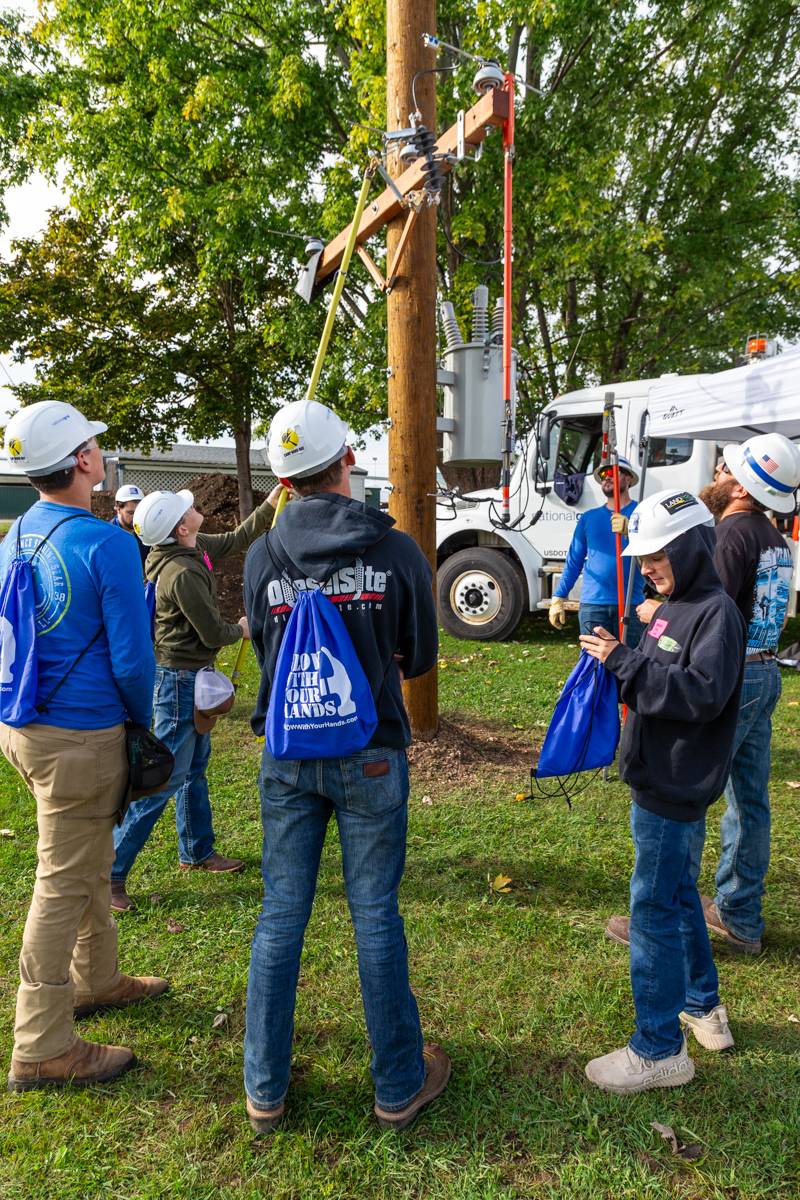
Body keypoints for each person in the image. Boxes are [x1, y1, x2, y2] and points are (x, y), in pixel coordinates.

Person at [241, 399, 447, 1135]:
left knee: (280, 918)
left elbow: (270, 656)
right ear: (347, 459)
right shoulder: (394, 553)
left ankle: (264, 1090)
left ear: (284, 480)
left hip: (289, 755)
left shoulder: (264, 555)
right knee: (374, 917)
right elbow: (418, 657)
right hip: (371, 757)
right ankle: (398, 1084)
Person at [0, 400, 167, 1091]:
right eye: (94, 443)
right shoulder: (108, 544)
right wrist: (141, 725)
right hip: (81, 735)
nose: (100, 451)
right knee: (63, 880)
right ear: (85, 462)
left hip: (23, 726)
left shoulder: (13, 536)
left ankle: (94, 978)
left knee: (85, 854)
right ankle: (41, 1044)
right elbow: (134, 662)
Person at [580, 488, 745, 1093]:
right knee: (678, 894)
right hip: (657, 777)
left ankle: (657, 1049)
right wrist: (618, 657)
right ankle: (703, 1005)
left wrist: (625, 662)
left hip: (676, 785)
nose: (645, 566)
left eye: (656, 554)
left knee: (652, 908)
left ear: (690, 547)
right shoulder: (673, 604)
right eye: (641, 555)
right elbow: (656, 673)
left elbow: (701, 694)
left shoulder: (717, 613)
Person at [610, 433, 800, 956]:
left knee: (688, 789)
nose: (716, 474)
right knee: (749, 798)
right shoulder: (775, 540)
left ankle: (667, 913)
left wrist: (655, 615)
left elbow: (704, 607)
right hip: (764, 671)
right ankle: (740, 912)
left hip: (728, 677)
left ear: (741, 485)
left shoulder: (732, 535)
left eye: (723, 469)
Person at [108, 484, 282, 911]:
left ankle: (196, 850)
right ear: (181, 526)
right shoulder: (180, 573)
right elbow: (211, 633)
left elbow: (237, 539)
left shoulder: (187, 546)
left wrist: (272, 501)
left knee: (194, 770)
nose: (195, 508)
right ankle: (108, 875)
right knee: (163, 779)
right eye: (188, 508)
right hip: (179, 684)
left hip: (192, 678)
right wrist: (241, 629)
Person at [549, 457, 646, 646]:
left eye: (612, 473)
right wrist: (558, 597)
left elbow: (655, 555)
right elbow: (574, 561)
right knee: (593, 665)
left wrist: (631, 533)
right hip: (594, 606)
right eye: (603, 475)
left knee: (632, 665)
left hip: (630, 605)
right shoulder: (589, 518)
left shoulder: (641, 513)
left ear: (628, 479)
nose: (606, 478)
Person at [110, 484, 148, 570]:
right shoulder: (107, 536)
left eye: (139, 512)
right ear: (118, 508)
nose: (136, 517)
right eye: (130, 513)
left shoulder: (146, 532)